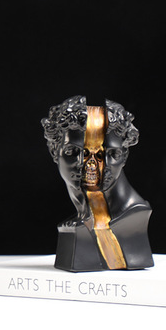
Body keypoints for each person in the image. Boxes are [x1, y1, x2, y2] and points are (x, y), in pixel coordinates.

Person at [42, 96, 153, 272]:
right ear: (54, 151)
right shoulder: (82, 218)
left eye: (108, 154)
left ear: (124, 157)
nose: (91, 165)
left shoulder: (134, 213)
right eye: (74, 152)